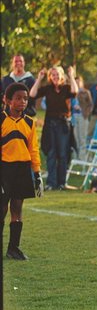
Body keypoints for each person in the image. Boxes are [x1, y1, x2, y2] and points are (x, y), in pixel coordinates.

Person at [1, 83, 41, 260]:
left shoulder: (30, 123)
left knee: (17, 208)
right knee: (2, 208)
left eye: (25, 98)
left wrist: (37, 173)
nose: (22, 102)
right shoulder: (2, 120)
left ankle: (13, 248)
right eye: (18, 98)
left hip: (23, 170)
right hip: (4, 169)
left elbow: (33, 149)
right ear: (7, 100)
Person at [30, 66, 78, 190]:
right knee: (51, 154)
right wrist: (39, 78)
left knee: (63, 154)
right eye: (53, 75)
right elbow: (32, 94)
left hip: (63, 125)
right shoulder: (48, 89)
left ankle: (62, 183)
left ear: (62, 76)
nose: (55, 77)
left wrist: (71, 76)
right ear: (50, 77)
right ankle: (51, 183)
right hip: (50, 124)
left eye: (57, 75)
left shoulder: (66, 88)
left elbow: (75, 92)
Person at [71, 75, 93, 160]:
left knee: (82, 137)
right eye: (75, 82)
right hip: (73, 117)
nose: (77, 83)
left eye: (78, 81)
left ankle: (82, 157)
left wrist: (84, 111)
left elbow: (90, 105)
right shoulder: (72, 92)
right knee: (74, 137)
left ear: (81, 82)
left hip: (82, 116)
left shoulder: (86, 92)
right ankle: (75, 157)